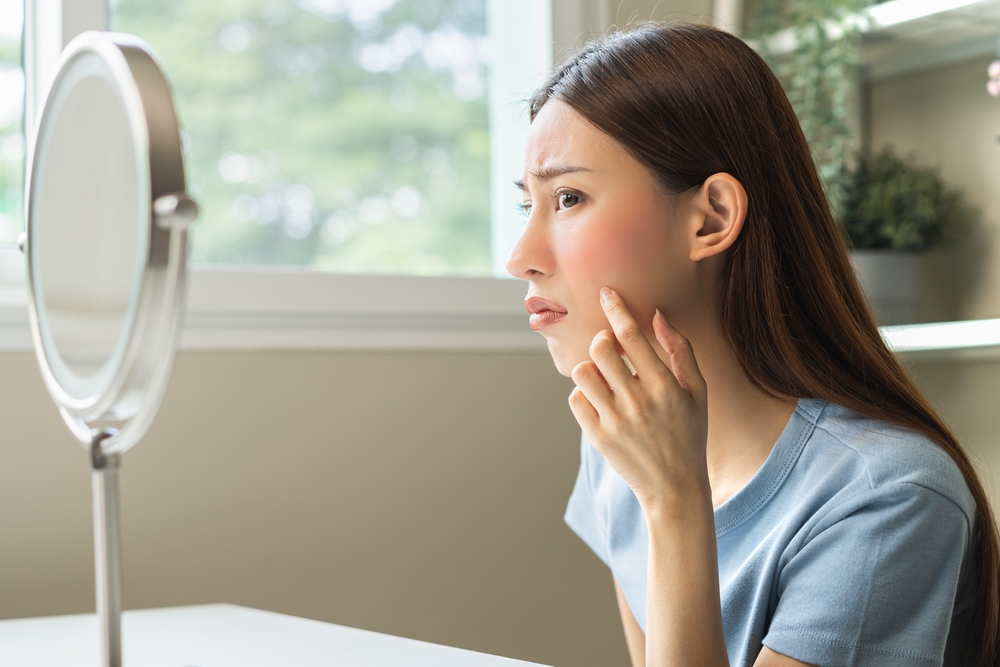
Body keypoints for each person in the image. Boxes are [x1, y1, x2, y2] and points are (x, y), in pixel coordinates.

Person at [506, 22, 999, 667]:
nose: (521, 259)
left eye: (568, 197)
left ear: (710, 217)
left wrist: (674, 503)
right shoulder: (627, 439)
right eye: (528, 206)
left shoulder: (888, 496)